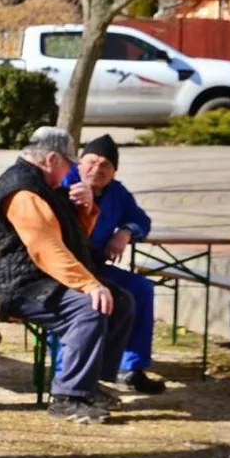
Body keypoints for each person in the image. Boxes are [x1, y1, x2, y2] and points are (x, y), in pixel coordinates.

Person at [0, 126, 135, 423]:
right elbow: (45, 246)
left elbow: (71, 239)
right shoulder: (23, 189)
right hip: (16, 285)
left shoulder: (45, 185)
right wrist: (89, 285)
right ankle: (68, 397)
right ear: (52, 158)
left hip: (41, 279)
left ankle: (90, 382)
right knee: (89, 308)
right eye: (69, 164)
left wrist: (86, 209)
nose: (72, 171)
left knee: (121, 301)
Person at [62, 135, 165, 394]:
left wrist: (126, 231)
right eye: (91, 162)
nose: (97, 169)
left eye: (106, 165)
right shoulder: (64, 184)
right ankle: (70, 376)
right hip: (67, 268)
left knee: (141, 288)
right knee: (87, 302)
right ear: (79, 163)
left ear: (114, 171)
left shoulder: (117, 192)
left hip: (98, 266)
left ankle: (131, 368)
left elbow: (142, 220)